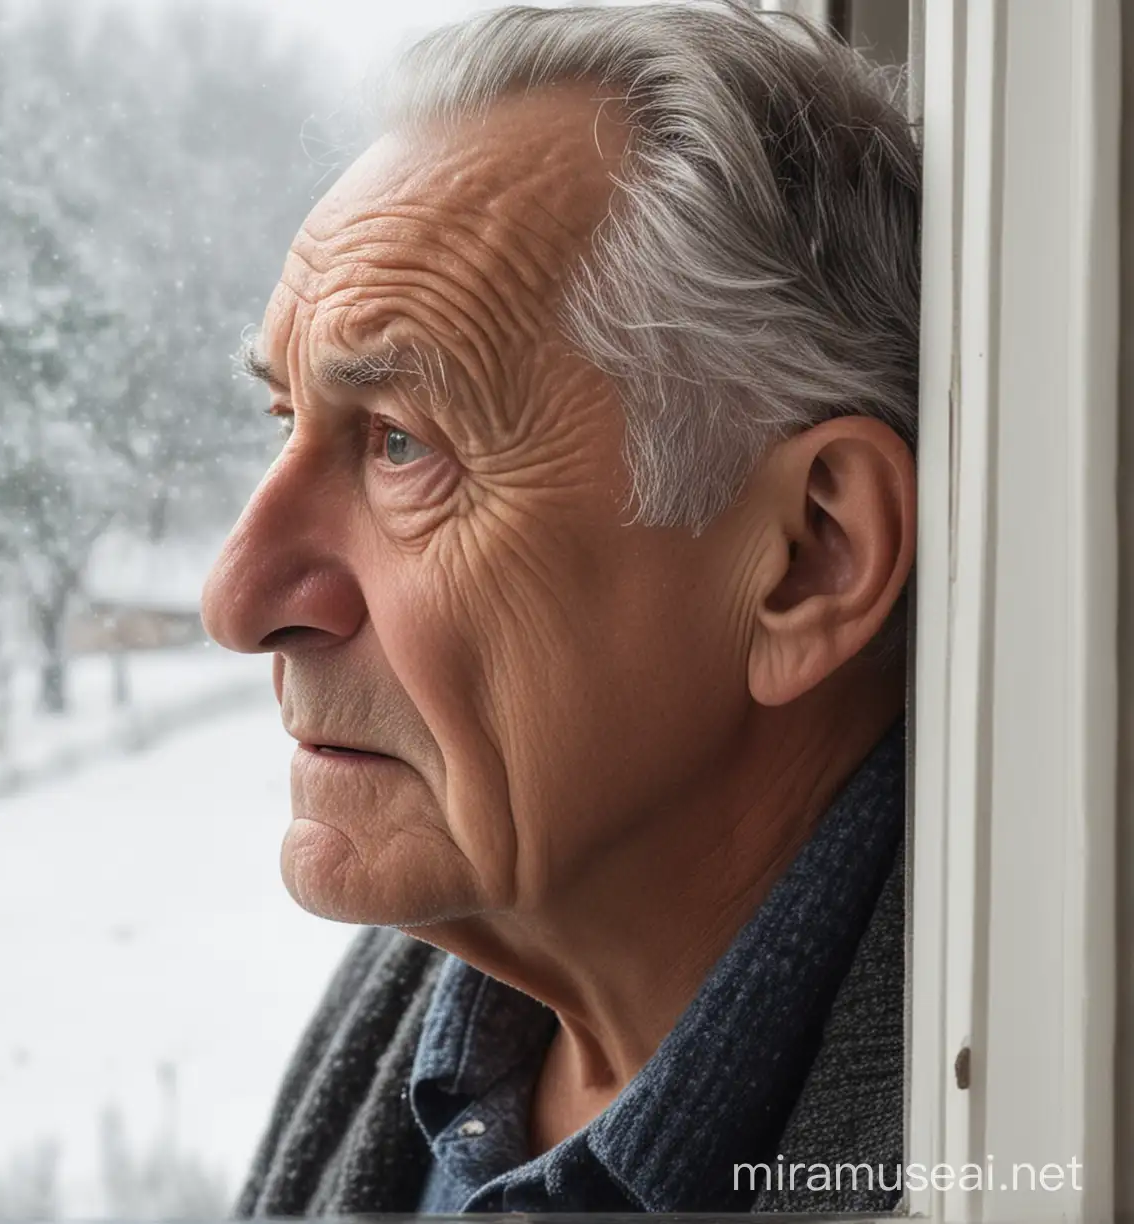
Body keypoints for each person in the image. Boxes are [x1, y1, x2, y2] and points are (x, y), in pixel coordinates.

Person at [201, 3, 918, 1214]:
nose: (238, 599)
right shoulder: (430, 999)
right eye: (289, 421)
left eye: (401, 446)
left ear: (808, 557)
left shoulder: (1020, 1129)